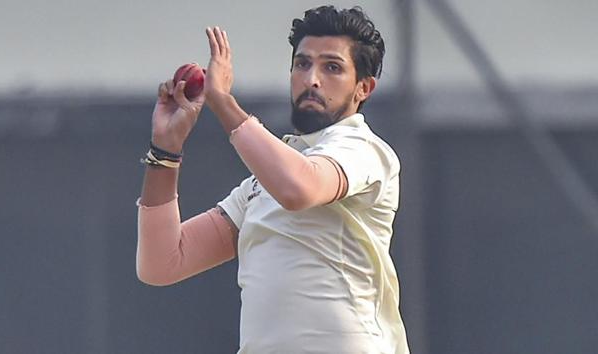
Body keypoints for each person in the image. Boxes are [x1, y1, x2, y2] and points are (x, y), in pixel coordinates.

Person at [136, 5, 410, 354]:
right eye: (302, 63)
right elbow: (161, 263)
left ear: (364, 88)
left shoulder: (363, 149)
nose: (312, 79)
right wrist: (166, 149)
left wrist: (222, 102)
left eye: (332, 67)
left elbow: (298, 188)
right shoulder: (261, 184)